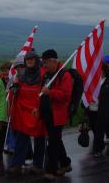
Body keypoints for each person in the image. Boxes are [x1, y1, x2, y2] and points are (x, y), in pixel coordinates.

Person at [8, 51, 46, 174]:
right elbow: (15, 89)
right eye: (27, 59)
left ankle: (38, 164)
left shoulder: (43, 74)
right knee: (21, 138)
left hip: (37, 109)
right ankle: (16, 164)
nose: (29, 61)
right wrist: (14, 88)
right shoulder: (20, 74)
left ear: (36, 60)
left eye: (32, 59)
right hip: (23, 110)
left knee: (40, 138)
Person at [40, 49, 72, 181]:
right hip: (47, 113)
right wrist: (38, 108)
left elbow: (65, 96)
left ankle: (51, 170)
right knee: (56, 140)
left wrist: (50, 92)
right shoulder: (47, 75)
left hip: (58, 115)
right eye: (43, 62)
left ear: (54, 61)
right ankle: (65, 163)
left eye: (46, 62)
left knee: (52, 143)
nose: (44, 65)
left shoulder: (65, 75)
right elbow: (42, 94)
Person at [0, 61, 12, 175]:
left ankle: (24, 153)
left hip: (12, 109)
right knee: (2, 131)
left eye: (6, 70)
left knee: (15, 131)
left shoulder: (14, 80)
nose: (5, 73)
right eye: (3, 70)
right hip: (2, 110)